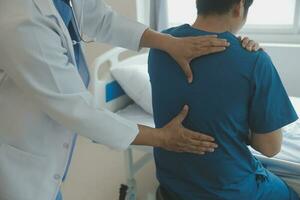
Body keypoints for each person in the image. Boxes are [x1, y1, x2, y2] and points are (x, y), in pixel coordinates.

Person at [0, 0, 259, 199]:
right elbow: (77, 109)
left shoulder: (251, 57)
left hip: (45, 162)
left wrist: (166, 42)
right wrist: (162, 138)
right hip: (19, 169)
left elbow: (101, 19)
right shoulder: (21, 19)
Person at [148, 0, 299, 199]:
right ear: (239, 7)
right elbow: (270, 148)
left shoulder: (160, 46)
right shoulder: (254, 60)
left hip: (173, 187)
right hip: (231, 192)